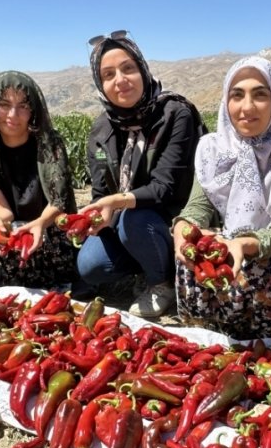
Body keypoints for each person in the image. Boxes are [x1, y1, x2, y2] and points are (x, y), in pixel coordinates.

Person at [173, 56, 271, 348]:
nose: (246, 107)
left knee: (263, 270)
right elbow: (198, 207)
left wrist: (244, 245)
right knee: (192, 259)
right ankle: (207, 336)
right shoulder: (213, 148)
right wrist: (184, 228)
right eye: (237, 95)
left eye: (260, 94)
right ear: (226, 100)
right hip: (234, 239)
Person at [76, 31, 206, 317]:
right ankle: (145, 265)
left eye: (128, 68)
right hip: (127, 222)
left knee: (135, 220)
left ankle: (162, 283)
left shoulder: (175, 114)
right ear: (100, 84)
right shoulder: (101, 130)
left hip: (169, 218)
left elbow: (165, 188)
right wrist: (97, 216)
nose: (120, 80)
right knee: (90, 266)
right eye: (108, 75)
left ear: (143, 70)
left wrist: (117, 203)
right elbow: (101, 192)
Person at [0, 71, 77, 288]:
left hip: (49, 227)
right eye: (4, 104)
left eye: (23, 106)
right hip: (15, 228)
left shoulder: (48, 145)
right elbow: (1, 209)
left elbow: (57, 203)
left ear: (33, 111)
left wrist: (40, 224)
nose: (13, 114)